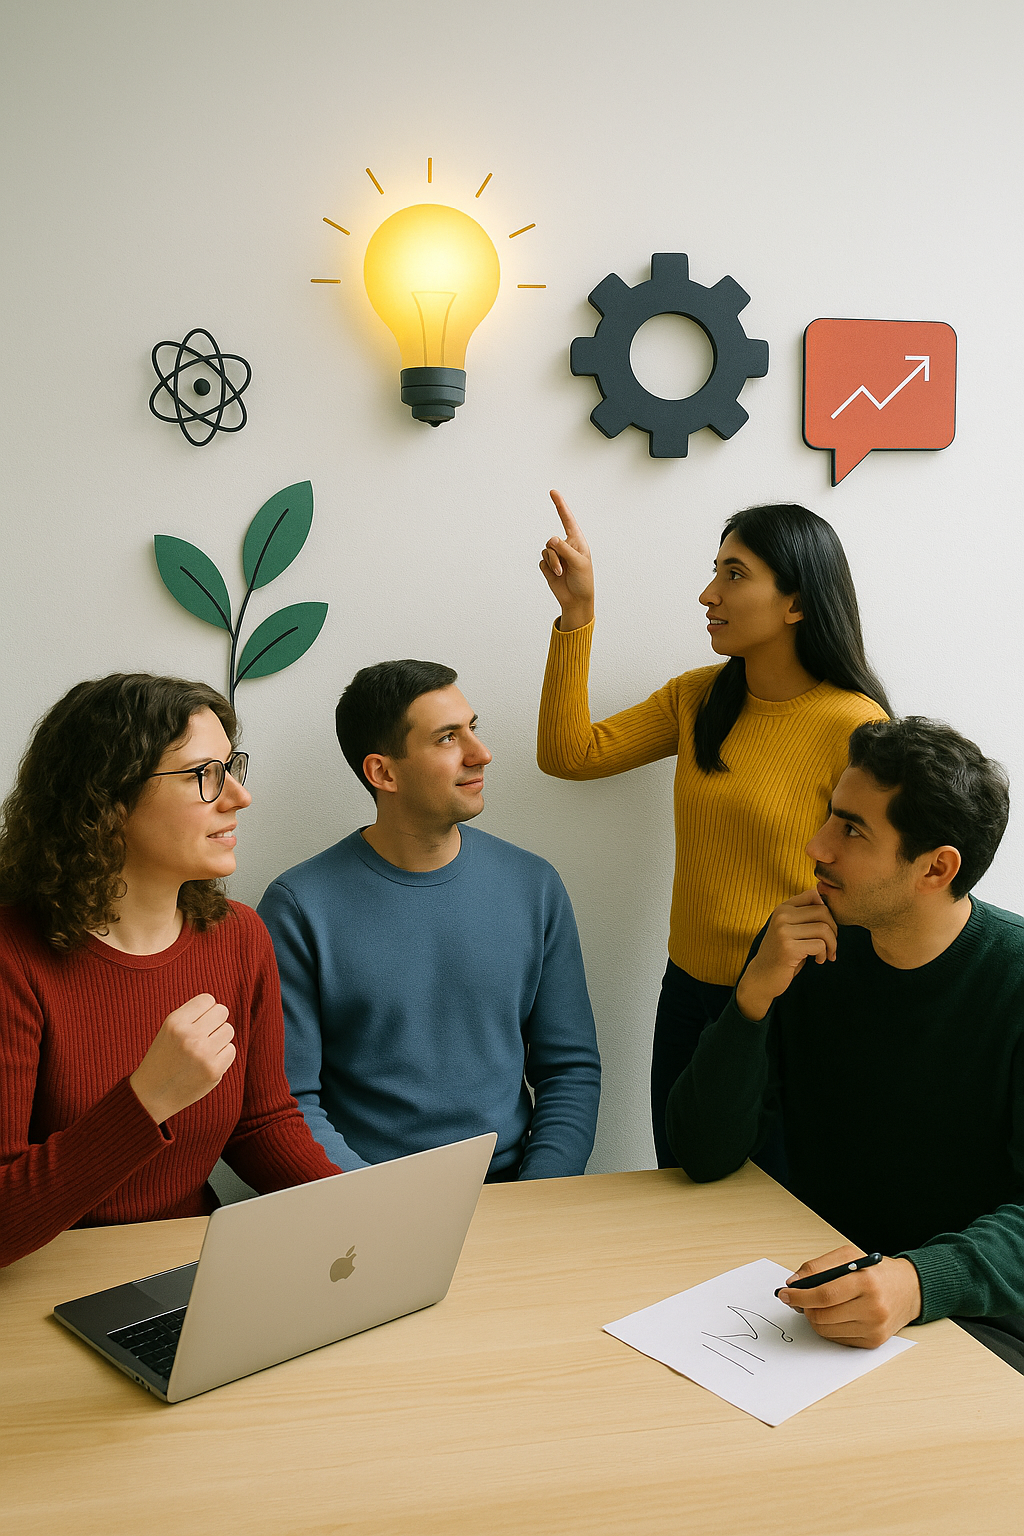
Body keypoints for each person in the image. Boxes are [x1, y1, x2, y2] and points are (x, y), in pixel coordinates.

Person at [537, 491, 891, 1169]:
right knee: (680, 1184)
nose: (709, 594)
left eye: (735, 574)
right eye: (715, 571)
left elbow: (883, 876)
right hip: (686, 991)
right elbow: (568, 754)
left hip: (792, 1003)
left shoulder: (855, 725)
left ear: (797, 602)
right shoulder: (697, 698)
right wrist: (577, 614)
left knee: (777, 1202)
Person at [667, 717, 1024, 1370]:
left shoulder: (1014, 981)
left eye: (852, 830)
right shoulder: (802, 948)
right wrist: (751, 999)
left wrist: (916, 1281)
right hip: (814, 1299)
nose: (817, 845)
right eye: (831, 816)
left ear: (936, 867)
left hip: (974, 1314)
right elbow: (703, 1153)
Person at [0, 674, 341, 1270]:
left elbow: (261, 1125)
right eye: (203, 775)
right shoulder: (12, 956)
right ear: (108, 799)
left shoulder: (239, 936)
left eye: (231, 767)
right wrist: (147, 1098)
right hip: (44, 1277)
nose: (238, 796)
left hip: (188, 1266)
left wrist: (361, 1213)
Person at [258, 659, 601, 1181]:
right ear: (383, 773)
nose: (480, 753)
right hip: (366, 1202)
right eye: (447, 738)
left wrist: (539, 1198)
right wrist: (380, 1208)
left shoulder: (533, 885)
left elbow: (569, 1070)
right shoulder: (299, 906)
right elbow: (290, 1100)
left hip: (514, 1193)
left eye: (472, 728)